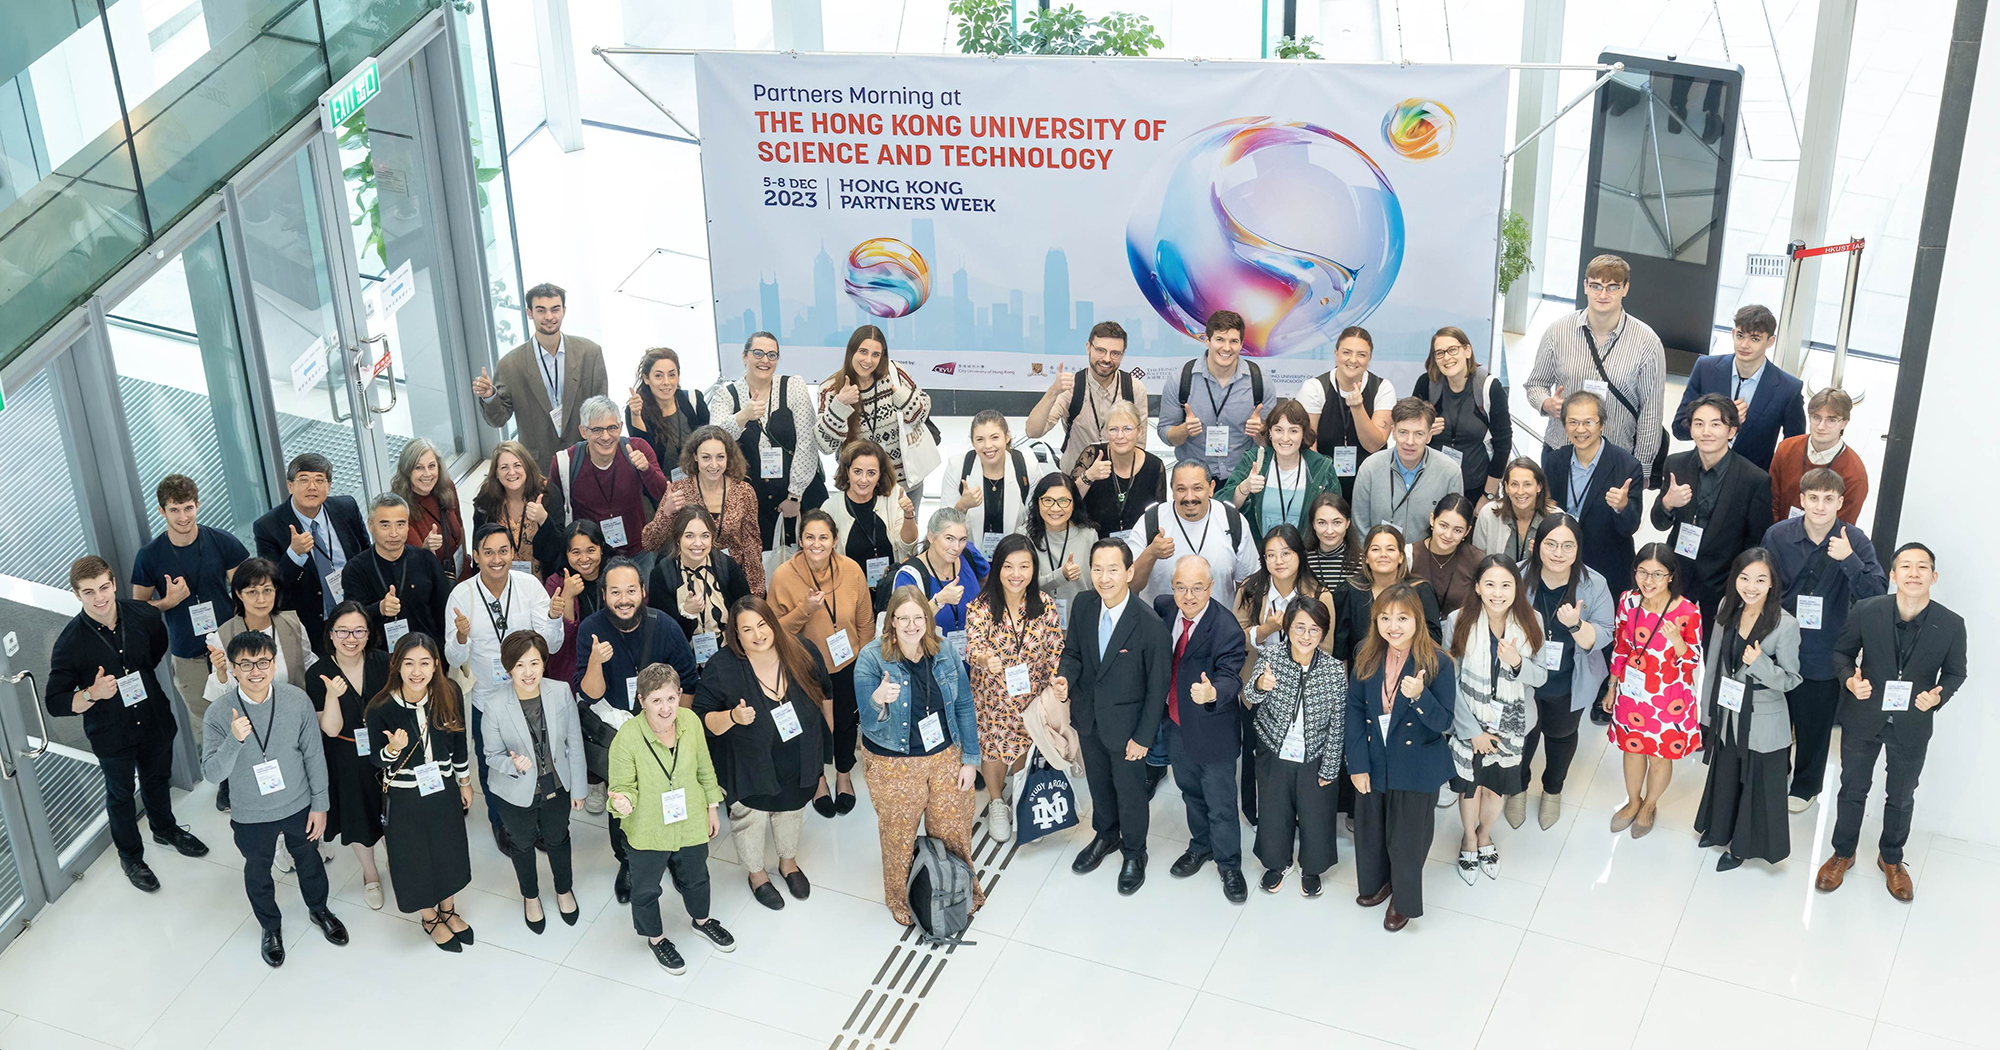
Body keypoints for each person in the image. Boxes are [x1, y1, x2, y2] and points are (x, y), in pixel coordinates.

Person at [1815, 543, 1967, 902]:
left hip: (1913, 722)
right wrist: (1850, 680)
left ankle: (1892, 859)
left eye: (1922, 567)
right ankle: (1843, 853)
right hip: (1864, 715)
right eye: (1906, 567)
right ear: (1894, 574)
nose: (1914, 574)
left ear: (1934, 576)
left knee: (1901, 796)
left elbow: (1957, 673)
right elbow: (1842, 653)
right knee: (1852, 788)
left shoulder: (1951, 624)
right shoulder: (1867, 611)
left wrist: (1939, 695)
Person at [48, 556, 208, 892]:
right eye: (88, 592)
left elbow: (154, 652)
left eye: (104, 587)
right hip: (111, 732)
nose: (99, 597)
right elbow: (55, 702)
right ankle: (131, 856)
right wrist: (91, 693)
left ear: (114, 583)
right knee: (120, 796)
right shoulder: (69, 643)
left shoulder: (144, 614)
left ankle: (165, 829)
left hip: (152, 718)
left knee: (157, 778)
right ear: (77, 595)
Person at [201, 631, 346, 966]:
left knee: (309, 860)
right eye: (246, 664)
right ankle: (270, 927)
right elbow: (212, 773)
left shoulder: (296, 700)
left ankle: (319, 910)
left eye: (263, 662)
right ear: (233, 669)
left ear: (274, 663)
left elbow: (313, 756)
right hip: (251, 813)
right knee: (258, 871)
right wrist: (234, 741)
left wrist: (321, 805)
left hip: (298, 804)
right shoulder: (220, 713)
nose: (256, 671)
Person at [854, 587, 986, 925]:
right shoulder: (871, 659)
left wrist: (970, 759)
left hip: (945, 754)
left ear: (927, 621)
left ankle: (961, 886)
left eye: (918, 618)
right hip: (892, 762)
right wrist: (878, 699)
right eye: (904, 619)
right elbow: (866, 723)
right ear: (891, 623)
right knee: (898, 834)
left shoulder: (944, 652)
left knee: (953, 827)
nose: (912, 625)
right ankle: (899, 898)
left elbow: (964, 705)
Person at [575, 557, 701, 901]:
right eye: (615, 592)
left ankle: (674, 854)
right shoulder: (590, 629)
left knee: (670, 792)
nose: (624, 599)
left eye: (631, 590)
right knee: (624, 798)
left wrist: (678, 729)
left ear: (643, 591)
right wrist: (597, 662)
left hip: (664, 723)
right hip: (618, 730)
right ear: (603, 595)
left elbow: (689, 680)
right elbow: (589, 693)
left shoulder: (665, 626)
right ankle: (628, 860)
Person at [1762, 468, 1887, 813]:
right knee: (1774, 715)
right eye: (1813, 498)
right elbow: (1761, 583)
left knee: (1814, 724)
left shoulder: (1855, 540)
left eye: (1828, 499)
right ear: (1801, 500)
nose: (1820, 506)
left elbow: (1875, 594)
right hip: (1779, 643)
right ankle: (1774, 775)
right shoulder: (1778, 536)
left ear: (1840, 503)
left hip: (1826, 647)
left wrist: (1848, 559)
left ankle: (1805, 785)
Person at [695, 596, 832, 911]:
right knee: (750, 819)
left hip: (797, 757)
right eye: (747, 629)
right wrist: (732, 717)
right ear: (736, 636)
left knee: (791, 810)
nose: (758, 635)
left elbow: (825, 692)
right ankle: (757, 874)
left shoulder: (801, 650)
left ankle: (788, 863)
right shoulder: (723, 667)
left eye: (762, 624)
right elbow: (702, 720)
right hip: (749, 765)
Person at [1055, 540, 1171, 894]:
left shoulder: (1150, 625)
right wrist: (1064, 677)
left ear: (1130, 572)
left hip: (1128, 729)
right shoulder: (1085, 604)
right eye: (1098, 569)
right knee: (1099, 787)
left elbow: (1157, 690)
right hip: (1089, 718)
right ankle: (1106, 836)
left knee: (1131, 793)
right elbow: (1073, 651)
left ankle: (1135, 851)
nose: (1104, 578)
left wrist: (1144, 738)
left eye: (1113, 569)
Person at [608, 663, 734, 973]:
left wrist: (711, 807)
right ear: (641, 701)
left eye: (671, 699)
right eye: (656, 701)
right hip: (647, 827)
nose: (666, 709)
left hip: (690, 819)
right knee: (646, 888)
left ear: (679, 696)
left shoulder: (690, 721)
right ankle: (656, 938)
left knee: (697, 876)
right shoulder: (627, 738)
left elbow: (704, 767)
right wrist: (623, 803)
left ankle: (702, 920)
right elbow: (623, 788)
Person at [446, 524, 566, 847]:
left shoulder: (529, 587)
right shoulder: (462, 595)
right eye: (488, 552)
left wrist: (554, 617)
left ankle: (535, 819)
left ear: (513, 553)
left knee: (535, 758)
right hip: (486, 699)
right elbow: (452, 656)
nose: (496, 560)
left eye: (503, 551)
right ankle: (502, 824)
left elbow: (551, 646)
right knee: (491, 764)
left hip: (528, 694)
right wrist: (461, 636)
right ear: (475, 556)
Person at [1347, 582, 1457, 931]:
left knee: (1407, 840)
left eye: (1402, 618)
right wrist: (1358, 764)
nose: (1393, 626)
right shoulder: (1366, 651)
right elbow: (1353, 711)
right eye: (1385, 618)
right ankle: (1379, 883)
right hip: (1374, 760)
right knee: (1371, 831)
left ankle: (1404, 900)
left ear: (1417, 620)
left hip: (1416, 767)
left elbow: (1445, 723)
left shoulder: (1438, 662)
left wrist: (1420, 697)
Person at [1693, 549, 1802, 871]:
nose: (1751, 586)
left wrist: (1761, 664)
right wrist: (1706, 713)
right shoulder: (1729, 608)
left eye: (1760, 580)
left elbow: (1792, 679)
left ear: (1772, 584)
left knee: (1755, 783)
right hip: (1728, 713)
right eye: (1744, 578)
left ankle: (1741, 848)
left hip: (1763, 721)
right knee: (1725, 775)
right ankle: (1718, 830)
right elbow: (1712, 662)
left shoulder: (1786, 624)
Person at [365, 633, 474, 950]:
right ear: (396, 666)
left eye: (425, 663)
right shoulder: (380, 708)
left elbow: (458, 742)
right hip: (405, 796)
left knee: (448, 849)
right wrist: (392, 749)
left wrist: (465, 783)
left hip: (442, 788)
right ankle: (430, 917)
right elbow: (376, 760)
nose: (417, 671)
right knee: (415, 858)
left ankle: (448, 909)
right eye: (409, 663)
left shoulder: (449, 692)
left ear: (436, 665)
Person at [1442, 558, 1547, 883]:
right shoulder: (1458, 620)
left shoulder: (1533, 621)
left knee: (1494, 790)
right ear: (1476, 587)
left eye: (1505, 585)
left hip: (1510, 727)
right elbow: (1450, 680)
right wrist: (1471, 731)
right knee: (1470, 789)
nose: (1497, 593)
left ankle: (1485, 834)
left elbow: (1541, 677)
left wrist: (1517, 664)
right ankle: (1469, 840)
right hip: (1468, 724)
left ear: (1517, 588)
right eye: (1490, 584)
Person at [1152, 557, 1248, 902]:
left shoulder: (1226, 628)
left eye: (1197, 588)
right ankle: (1201, 845)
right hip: (1175, 724)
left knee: (1220, 802)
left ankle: (1229, 864)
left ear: (1210, 587)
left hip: (1212, 728)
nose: (1188, 596)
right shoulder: (1164, 609)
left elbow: (1231, 675)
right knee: (1190, 791)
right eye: (1181, 587)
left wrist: (1213, 693)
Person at [768, 510, 875, 818]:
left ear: (835, 540)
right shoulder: (783, 576)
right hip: (804, 668)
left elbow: (865, 621)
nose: (817, 544)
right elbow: (773, 632)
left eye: (823, 537)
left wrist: (864, 662)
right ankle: (817, 782)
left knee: (844, 724)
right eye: (810, 537)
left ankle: (843, 776)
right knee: (811, 728)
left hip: (847, 665)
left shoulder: (851, 570)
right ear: (800, 540)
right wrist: (805, 609)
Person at [1524, 254, 1666, 483]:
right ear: (1585, 287)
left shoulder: (1647, 343)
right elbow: (1535, 384)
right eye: (1596, 286)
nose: (1603, 295)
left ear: (1625, 289)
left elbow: (1651, 412)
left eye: (1612, 287)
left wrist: (1642, 471)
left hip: (1615, 457)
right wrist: (1546, 403)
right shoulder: (1558, 332)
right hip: (1562, 449)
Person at [129, 474, 249, 743]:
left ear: (197, 505)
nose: (183, 517)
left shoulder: (222, 542)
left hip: (232, 647)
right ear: (162, 511)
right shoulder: (149, 556)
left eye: (188, 508)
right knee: (209, 729)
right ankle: (223, 784)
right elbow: (137, 610)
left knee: (248, 717)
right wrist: (167, 603)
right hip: (189, 658)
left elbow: (248, 592)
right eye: (174, 510)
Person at [962, 534, 1065, 842]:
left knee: (1023, 746)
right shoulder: (980, 606)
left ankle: (1019, 795)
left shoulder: (1044, 605)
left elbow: (1055, 651)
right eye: (1008, 566)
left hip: (1031, 699)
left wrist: (1058, 682)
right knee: (993, 750)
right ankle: (996, 801)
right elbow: (973, 646)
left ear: (1033, 569)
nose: (1016, 574)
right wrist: (985, 658)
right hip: (991, 697)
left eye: (1024, 566)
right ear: (997, 569)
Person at [481, 630, 587, 931]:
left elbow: (574, 743)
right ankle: (530, 897)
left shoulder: (560, 692)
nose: (528, 673)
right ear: (508, 668)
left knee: (558, 838)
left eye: (534, 663)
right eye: (519, 666)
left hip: (556, 785)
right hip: (514, 790)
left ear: (544, 663)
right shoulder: (496, 705)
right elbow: (490, 755)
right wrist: (511, 764)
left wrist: (578, 787)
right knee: (522, 843)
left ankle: (564, 890)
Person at [1516, 514, 1615, 830]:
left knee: (1560, 737)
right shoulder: (1517, 576)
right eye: (1551, 544)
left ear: (1578, 549)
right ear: (1537, 545)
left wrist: (1574, 623)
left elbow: (1602, 635)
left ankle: (1552, 790)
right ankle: (1517, 788)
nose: (1558, 553)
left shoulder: (1594, 583)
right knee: (1522, 736)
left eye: (1567, 546)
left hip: (1569, 680)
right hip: (1524, 679)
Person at [1233, 524, 1337, 822]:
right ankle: (1254, 812)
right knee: (1255, 752)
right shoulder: (1250, 589)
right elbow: (1235, 636)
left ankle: (1293, 814)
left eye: (1286, 553)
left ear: (1300, 555)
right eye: (1270, 555)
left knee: (1295, 755)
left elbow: (1326, 648)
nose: (1278, 561)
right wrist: (1268, 629)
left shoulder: (1319, 594)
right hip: (1256, 684)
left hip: (1302, 691)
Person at [1244, 598, 1345, 898]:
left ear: (1323, 633)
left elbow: (1339, 722)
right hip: (1274, 750)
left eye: (1315, 629)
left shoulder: (1334, 670)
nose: (1306, 635)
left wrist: (1330, 766)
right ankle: (1277, 863)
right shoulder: (1270, 657)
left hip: (1313, 754)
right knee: (1275, 811)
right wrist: (1261, 684)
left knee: (1316, 813)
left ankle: (1311, 867)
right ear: (1287, 627)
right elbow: (1250, 695)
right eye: (1299, 627)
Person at [202, 558, 313, 817]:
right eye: (252, 592)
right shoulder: (223, 634)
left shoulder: (292, 623)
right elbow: (219, 698)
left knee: (298, 777)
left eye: (267, 590)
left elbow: (308, 663)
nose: (261, 599)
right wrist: (220, 672)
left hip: (291, 716)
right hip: (251, 725)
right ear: (239, 594)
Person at [1606, 543, 1703, 837]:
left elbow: (1693, 660)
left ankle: (1649, 804)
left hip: (1668, 698)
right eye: (1643, 572)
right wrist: (1612, 685)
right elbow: (1621, 646)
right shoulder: (1627, 601)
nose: (1648, 581)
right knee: (1632, 751)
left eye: (1657, 574)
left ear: (1671, 576)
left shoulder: (1687, 611)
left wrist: (1677, 641)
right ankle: (1633, 801)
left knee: (1660, 756)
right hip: (1632, 693)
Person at [1652, 394, 1775, 624]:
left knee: (1710, 654)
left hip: (1723, 585)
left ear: (1732, 431)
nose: (1706, 431)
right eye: (1699, 424)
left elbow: (1756, 542)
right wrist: (1668, 502)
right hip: (1677, 577)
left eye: (1715, 424)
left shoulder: (1754, 479)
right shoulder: (1675, 465)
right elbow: (1659, 522)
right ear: (1690, 430)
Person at [709, 334, 828, 567]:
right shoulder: (727, 395)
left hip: (800, 493)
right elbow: (715, 441)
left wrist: (795, 495)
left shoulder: (793, 386)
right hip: (755, 502)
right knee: (764, 565)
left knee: (807, 561)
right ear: (745, 356)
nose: (765, 360)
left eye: (772, 355)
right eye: (758, 353)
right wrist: (743, 416)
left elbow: (807, 442)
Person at [303, 602, 389, 909]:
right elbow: (329, 728)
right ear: (330, 633)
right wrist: (331, 696)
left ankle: (401, 863)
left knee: (396, 814)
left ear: (368, 633)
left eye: (358, 631)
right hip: (345, 754)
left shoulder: (384, 662)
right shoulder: (318, 673)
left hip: (388, 751)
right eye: (342, 631)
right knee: (360, 819)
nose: (350, 638)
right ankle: (370, 874)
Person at [474, 281, 609, 471]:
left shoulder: (590, 353)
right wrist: (489, 396)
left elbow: (601, 411)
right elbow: (498, 419)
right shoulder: (510, 364)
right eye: (541, 310)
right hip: (537, 464)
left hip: (585, 457)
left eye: (555, 309)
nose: (549, 317)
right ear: (529, 313)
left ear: (564, 310)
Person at [1672, 305, 1805, 472]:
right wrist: (1722, 420)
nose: (1744, 345)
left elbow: (1794, 450)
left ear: (1770, 341)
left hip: (1752, 480)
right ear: (1733, 333)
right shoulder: (1705, 369)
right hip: (1702, 469)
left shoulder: (1788, 389)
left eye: (1755, 339)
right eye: (1740, 336)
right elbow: (1679, 428)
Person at [252, 453, 367, 645]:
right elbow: (273, 587)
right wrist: (294, 554)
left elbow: (365, 554)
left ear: (329, 486)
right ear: (290, 486)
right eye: (303, 480)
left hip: (356, 616)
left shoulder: (347, 507)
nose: (312, 487)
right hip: (310, 626)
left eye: (319, 480)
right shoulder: (268, 526)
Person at [1541, 391, 1645, 596]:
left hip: (1606, 570)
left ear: (1602, 424)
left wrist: (1622, 507)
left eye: (1588, 422)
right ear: (1564, 425)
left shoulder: (1626, 466)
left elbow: (1630, 528)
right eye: (1573, 422)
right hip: (1559, 567)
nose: (1580, 430)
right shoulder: (1554, 461)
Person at [545, 396, 671, 565]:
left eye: (611, 428)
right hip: (591, 559)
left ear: (620, 427)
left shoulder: (637, 448)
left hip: (638, 552)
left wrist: (646, 469)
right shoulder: (564, 462)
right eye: (597, 430)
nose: (605, 437)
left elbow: (663, 494)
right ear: (583, 431)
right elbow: (555, 514)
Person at [1158, 310, 1280, 483]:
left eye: (1234, 341)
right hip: (1194, 481)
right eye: (1220, 340)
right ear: (1207, 340)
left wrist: (1260, 432)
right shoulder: (1181, 379)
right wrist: (1183, 430)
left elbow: (1270, 441)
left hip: (1243, 480)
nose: (1227, 348)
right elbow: (1165, 433)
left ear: (1242, 344)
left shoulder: (1260, 381)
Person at [646, 425, 765, 596]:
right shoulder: (680, 490)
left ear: (728, 457)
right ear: (695, 457)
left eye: (720, 457)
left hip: (730, 579)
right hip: (688, 581)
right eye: (706, 457)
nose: (714, 465)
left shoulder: (744, 492)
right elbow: (650, 542)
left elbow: (752, 545)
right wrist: (667, 513)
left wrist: (756, 593)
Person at [816, 325, 936, 491]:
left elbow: (922, 413)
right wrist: (840, 405)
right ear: (851, 352)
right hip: (860, 487)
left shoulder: (895, 373)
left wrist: (903, 397)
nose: (868, 360)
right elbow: (825, 446)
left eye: (876, 354)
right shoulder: (830, 389)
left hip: (903, 483)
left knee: (908, 518)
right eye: (863, 352)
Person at [1026, 320, 1150, 472]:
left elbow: (1140, 444)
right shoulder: (1071, 387)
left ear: (1123, 354)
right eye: (1100, 350)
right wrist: (1053, 391)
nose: (1107, 359)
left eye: (1115, 353)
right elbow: (1033, 432)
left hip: (1117, 480)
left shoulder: (1134, 388)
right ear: (1088, 348)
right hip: (1076, 478)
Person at [1128, 461, 1260, 603]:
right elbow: (1131, 585)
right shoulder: (1151, 521)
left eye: (1197, 488)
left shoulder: (1232, 520)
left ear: (1211, 488)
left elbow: (1248, 585)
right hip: (1161, 623)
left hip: (1218, 623)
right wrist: (1151, 553)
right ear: (1172, 490)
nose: (1189, 497)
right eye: (1181, 489)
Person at [1411, 326, 1511, 504]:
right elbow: (1409, 432)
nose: (1447, 358)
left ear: (1467, 350)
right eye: (1440, 353)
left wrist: (1488, 495)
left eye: (1452, 350)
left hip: (1475, 487)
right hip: (1430, 484)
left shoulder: (1489, 387)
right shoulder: (1426, 383)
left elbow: (1503, 445)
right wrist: (1423, 431)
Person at [340, 493, 450, 652]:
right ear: (370, 525)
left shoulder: (426, 560)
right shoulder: (355, 569)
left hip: (427, 653)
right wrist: (380, 608)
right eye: (385, 525)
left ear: (407, 526)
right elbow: (351, 619)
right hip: (382, 659)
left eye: (400, 524)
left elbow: (444, 610)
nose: (394, 533)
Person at [1298, 325, 1395, 502]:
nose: (1353, 360)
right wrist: (1322, 486)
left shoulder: (1383, 388)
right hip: (1324, 482)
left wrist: (1358, 408)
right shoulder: (1314, 388)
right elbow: (1309, 444)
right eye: (1347, 352)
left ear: (1369, 358)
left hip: (1369, 483)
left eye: (1361, 354)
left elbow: (1374, 445)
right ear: (1336, 353)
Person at [1219, 399, 1340, 538]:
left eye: (1293, 431)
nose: (1285, 438)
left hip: (1306, 555)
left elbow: (1335, 518)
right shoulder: (1254, 460)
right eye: (1278, 430)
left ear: (1303, 434)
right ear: (1270, 432)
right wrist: (1244, 488)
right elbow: (1221, 507)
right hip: (1258, 553)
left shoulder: (1321, 468)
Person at [648, 506, 752, 663]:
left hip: (729, 655)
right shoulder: (662, 575)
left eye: (705, 536)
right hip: (684, 659)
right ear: (678, 539)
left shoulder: (726, 566)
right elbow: (664, 635)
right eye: (689, 536)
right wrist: (688, 613)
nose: (698, 543)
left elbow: (747, 609)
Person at [1353, 398, 1463, 543]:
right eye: (1403, 432)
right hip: (1380, 560)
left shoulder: (1449, 472)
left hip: (1427, 560)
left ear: (1429, 436)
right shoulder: (1370, 468)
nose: (1410, 442)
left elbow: (1453, 525)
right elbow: (1360, 525)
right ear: (1393, 432)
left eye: (1418, 434)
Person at [823, 439, 919, 605]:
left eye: (871, 473)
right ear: (847, 472)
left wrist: (908, 515)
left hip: (892, 592)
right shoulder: (830, 508)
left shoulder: (894, 496)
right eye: (857, 471)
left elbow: (908, 547)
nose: (864, 480)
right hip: (849, 596)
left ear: (880, 474)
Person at [1330, 524, 1444, 662]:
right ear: (1365, 557)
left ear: (1401, 556)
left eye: (1390, 549)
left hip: (1409, 672)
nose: (1383, 555)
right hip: (1362, 674)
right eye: (1375, 549)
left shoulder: (1419, 590)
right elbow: (1340, 646)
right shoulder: (1350, 590)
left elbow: (1433, 639)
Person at [953, 410, 1047, 562]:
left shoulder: (1026, 466)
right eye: (980, 439)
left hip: (1016, 557)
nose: (988, 446)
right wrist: (962, 507)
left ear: (1007, 437)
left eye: (995, 437)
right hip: (968, 557)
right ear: (972, 442)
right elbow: (943, 524)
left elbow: (1036, 517)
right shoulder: (958, 466)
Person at [891, 507, 987, 651]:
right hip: (933, 663)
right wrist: (939, 601)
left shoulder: (969, 555)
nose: (956, 547)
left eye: (962, 539)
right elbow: (905, 625)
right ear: (931, 536)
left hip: (974, 660)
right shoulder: (909, 576)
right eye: (949, 538)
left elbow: (987, 583)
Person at [1770, 387, 1869, 523]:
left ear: (1844, 423)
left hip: (1823, 542)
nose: (1821, 426)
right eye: (1816, 417)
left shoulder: (1854, 474)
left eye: (1831, 420)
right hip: (1779, 534)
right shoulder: (1786, 449)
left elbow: (1843, 525)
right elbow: (1772, 501)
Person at [472, 439, 564, 579]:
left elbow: (556, 551)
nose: (512, 472)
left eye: (517, 465)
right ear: (496, 473)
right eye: (504, 467)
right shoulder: (487, 499)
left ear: (527, 467)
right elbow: (478, 546)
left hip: (541, 582)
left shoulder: (548, 494)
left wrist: (544, 520)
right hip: (499, 581)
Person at [1074, 402, 1166, 538]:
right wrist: (1089, 476)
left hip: (1138, 545)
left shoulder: (1154, 466)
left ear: (1139, 431)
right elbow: (1068, 500)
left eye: (1127, 429)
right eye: (1113, 429)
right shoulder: (1093, 455)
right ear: (1106, 432)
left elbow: (1161, 513)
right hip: (1093, 543)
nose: (1120, 436)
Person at [1021, 472, 1097, 625]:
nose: (1055, 508)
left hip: (1081, 622)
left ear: (1074, 503)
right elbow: (1024, 584)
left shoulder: (1088, 535)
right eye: (1048, 500)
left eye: (1063, 501)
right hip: (1036, 626)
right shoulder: (1024, 536)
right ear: (1038, 502)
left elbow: (1095, 585)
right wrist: (1061, 575)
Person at [544, 521, 607, 697]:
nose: (584, 558)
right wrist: (568, 595)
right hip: (571, 666)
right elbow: (561, 638)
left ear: (601, 548)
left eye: (590, 550)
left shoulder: (614, 574)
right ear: (566, 553)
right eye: (576, 552)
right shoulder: (555, 583)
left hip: (611, 661)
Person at [626, 346, 711, 472]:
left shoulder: (693, 400)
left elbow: (707, 443)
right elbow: (645, 454)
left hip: (699, 481)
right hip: (661, 485)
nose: (666, 382)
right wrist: (636, 416)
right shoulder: (636, 409)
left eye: (671, 375)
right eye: (658, 376)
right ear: (646, 378)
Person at [393, 438, 468, 581]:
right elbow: (416, 562)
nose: (427, 474)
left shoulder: (447, 486)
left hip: (461, 573)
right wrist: (426, 548)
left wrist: (465, 559)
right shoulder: (400, 509)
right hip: (435, 582)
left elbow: (460, 526)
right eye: (419, 468)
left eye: (432, 466)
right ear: (407, 471)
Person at [1473, 458, 1559, 566]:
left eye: (1527, 484)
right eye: (1514, 484)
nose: (1520, 492)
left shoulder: (1557, 519)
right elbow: (1478, 563)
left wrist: (1543, 557)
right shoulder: (1488, 514)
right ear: (1506, 487)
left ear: (1539, 487)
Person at [1411, 494, 1482, 613]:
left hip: (1459, 629)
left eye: (1457, 530)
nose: (1448, 535)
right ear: (1432, 520)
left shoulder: (1476, 560)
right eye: (1443, 526)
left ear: (1467, 531)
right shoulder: (1410, 555)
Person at [1303, 492, 1362, 591]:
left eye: (1337, 522)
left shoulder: (1361, 561)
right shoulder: (1303, 560)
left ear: (1347, 523)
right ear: (1313, 524)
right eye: (1322, 523)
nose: (1329, 531)